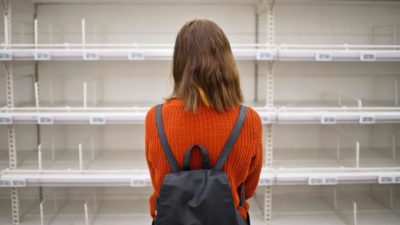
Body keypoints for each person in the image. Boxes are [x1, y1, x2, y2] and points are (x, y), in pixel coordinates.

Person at [145, 19, 263, 224]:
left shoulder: (155, 118)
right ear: (226, 63)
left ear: (180, 64)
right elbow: (248, 189)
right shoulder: (248, 120)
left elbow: (159, 184)